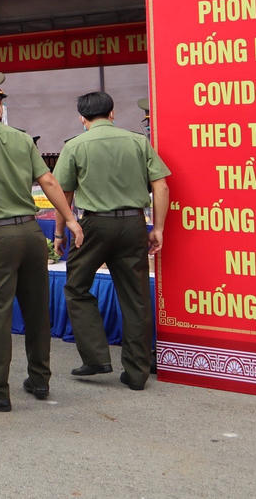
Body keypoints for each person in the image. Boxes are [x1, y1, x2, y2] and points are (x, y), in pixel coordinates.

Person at [0, 72, 79, 411]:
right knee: (37, 309)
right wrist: (69, 219)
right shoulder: (21, 138)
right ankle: (39, 378)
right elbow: (50, 181)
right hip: (30, 233)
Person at [53, 91, 170, 391]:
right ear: (113, 113)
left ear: (82, 118)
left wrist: (59, 232)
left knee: (76, 286)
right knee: (135, 296)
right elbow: (160, 185)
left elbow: (62, 194)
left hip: (95, 225)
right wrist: (157, 227)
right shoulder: (137, 141)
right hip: (133, 223)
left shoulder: (75, 146)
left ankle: (95, 356)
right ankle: (137, 372)